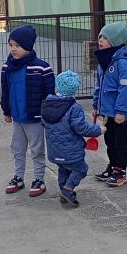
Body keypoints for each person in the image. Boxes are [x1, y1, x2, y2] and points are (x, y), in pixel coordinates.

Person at [0, 24, 55, 198]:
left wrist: (48, 114)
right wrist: (6, 111)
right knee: (17, 149)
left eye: (18, 45)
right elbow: (5, 91)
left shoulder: (41, 68)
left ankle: (39, 179)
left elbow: (49, 94)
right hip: (17, 117)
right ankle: (18, 177)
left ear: (28, 46)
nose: (13, 49)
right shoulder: (7, 67)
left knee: (37, 150)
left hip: (35, 118)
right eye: (11, 45)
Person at [41, 70, 102, 207]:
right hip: (71, 151)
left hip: (54, 150)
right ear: (74, 89)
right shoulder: (74, 108)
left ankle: (63, 190)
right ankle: (67, 190)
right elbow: (81, 128)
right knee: (81, 169)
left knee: (63, 168)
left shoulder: (47, 104)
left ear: (57, 87)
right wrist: (98, 129)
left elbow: (44, 123)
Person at [92, 22, 127, 187]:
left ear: (116, 40)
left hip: (120, 113)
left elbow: (126, 90)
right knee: (110, 140)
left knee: (121, 142)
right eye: (100, 37)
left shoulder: (125, 63)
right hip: (107, 111)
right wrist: (96, 106)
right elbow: (99, 86)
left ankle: (120, 170)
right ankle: (112, 165)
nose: (100, 40)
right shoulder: (104, 62)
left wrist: (121, 111)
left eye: (105, 38)